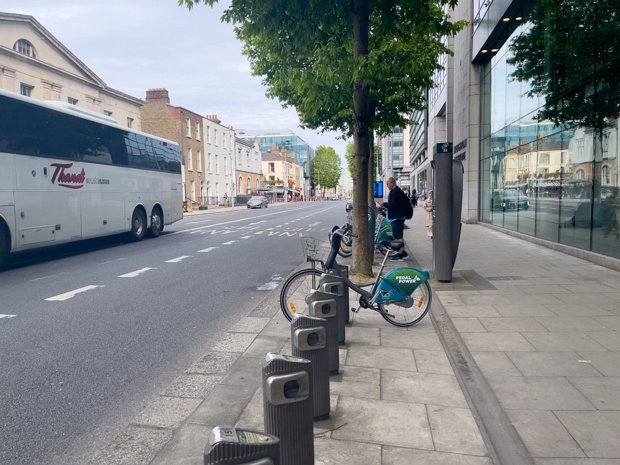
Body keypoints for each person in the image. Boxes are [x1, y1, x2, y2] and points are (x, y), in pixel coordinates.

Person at [380, 177, 409, 261]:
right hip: (398, 216)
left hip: (397, 217)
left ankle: (401, 254)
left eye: (388, 184)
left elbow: (393, 205)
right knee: (399, 235)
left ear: (392, 183)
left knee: (398, 236)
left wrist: (384, 204)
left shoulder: (396, 192)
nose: (387, 186)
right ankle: (403, 252)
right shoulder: (396, 191)